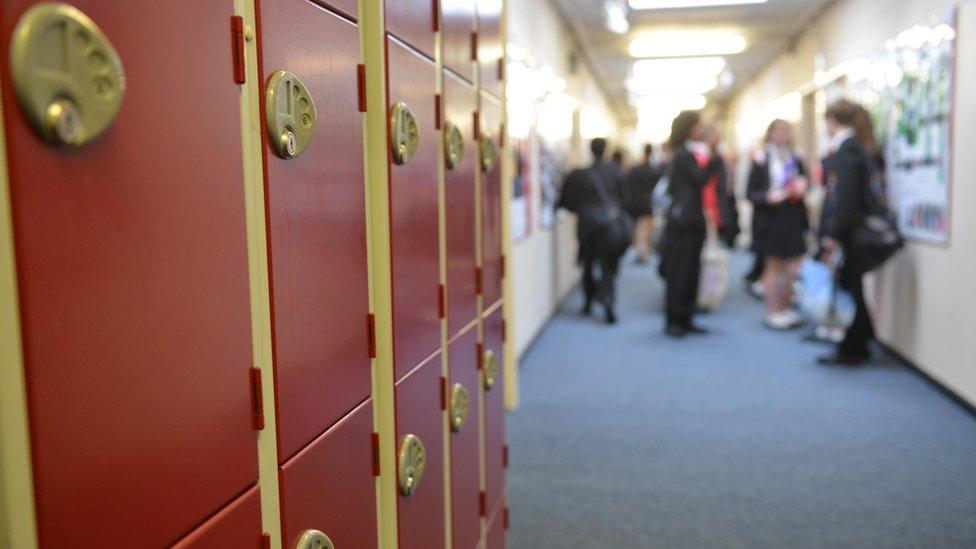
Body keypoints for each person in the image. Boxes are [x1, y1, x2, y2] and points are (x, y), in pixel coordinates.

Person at [818, 100, 877, 365]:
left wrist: (834, 233)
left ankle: (853, 345)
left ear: (832, 120)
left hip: (849, 231)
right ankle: (858, 340)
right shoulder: (850, 147)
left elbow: (846, 197)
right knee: (852, 285)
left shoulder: (847, 148)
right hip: (850, 229)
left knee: (849, 286)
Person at [659, 111, 720, 337]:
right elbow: (700, 180)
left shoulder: (685, 153)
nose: (702, 129)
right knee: (680, 270)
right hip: (683, 221)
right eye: (698, 126)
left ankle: (685, 316)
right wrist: (712, 155)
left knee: (691, 269)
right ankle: (675, 318)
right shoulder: (683, 155)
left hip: (691, 219)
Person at [747, 119, 810, 330]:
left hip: (792, 215)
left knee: (793, 265)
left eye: (787, 131)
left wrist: (801, 187)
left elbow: (805, 181)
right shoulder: (762, 158)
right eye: (779, 131)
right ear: (771, 133)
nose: (784, 135)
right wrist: (768, 196)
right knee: (773, 264)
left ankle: (785, 307)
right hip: (770, 218)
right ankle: (772, 311)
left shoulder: (795, 156)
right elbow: (750, 192)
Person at [557, 138, 628, 325]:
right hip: (609, 226)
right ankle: (608, 303)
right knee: (608, 266)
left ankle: (588, 301)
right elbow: (624, 198)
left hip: (587, 225)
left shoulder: (581, 174)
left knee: (588, 263)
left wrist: (584, 209)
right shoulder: (615, 171)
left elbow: (566, 200)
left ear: (590, 150)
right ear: (605, 150)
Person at [625, 143, 663, 264]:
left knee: (636, 229)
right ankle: (644, 253)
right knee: (647, 230)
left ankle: (637, 251)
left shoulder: (635, 170)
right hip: (647, 203)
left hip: (635, 204)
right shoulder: (653, 171)